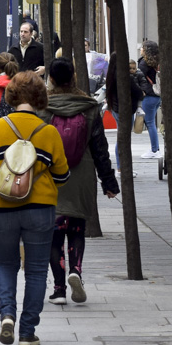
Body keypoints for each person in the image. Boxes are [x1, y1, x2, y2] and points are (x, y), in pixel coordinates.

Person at [0, 72, 69, 345]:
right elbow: (63, 175)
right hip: (40, 208)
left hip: (0, 206)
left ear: (12, 96)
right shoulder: (49, 132)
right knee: (37, 270)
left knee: (5, 263)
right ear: (40, 97)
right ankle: (27, 331)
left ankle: (7, 314)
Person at [41, 59, 119, 305]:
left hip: (51, 176)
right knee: (76, 229)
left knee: (54, 234)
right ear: (73, 77)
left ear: (50, 79)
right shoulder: (89, 107)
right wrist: (108, 181)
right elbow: (100, 149)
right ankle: (76, 270)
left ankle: (59, 288)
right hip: (81, 174)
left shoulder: (42, 108)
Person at [104, 52, 146, 171]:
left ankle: (121, 166)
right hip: (125, 110)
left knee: (121, 137)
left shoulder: (111, 75)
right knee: (123, 139)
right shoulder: (125, 77)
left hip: (116, 109)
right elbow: (138, 92)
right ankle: (121, 167)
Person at [137, 40, 162, 158]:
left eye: (142, 48)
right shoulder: (157, 61)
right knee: (152, 123)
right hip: (157, 95)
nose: (140, 49)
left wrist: (144, 92)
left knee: (150, 123)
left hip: (149, 95)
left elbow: (140, 80)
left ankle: (154, 150)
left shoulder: (143, 63)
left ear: (146, 50)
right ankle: (155, 148)